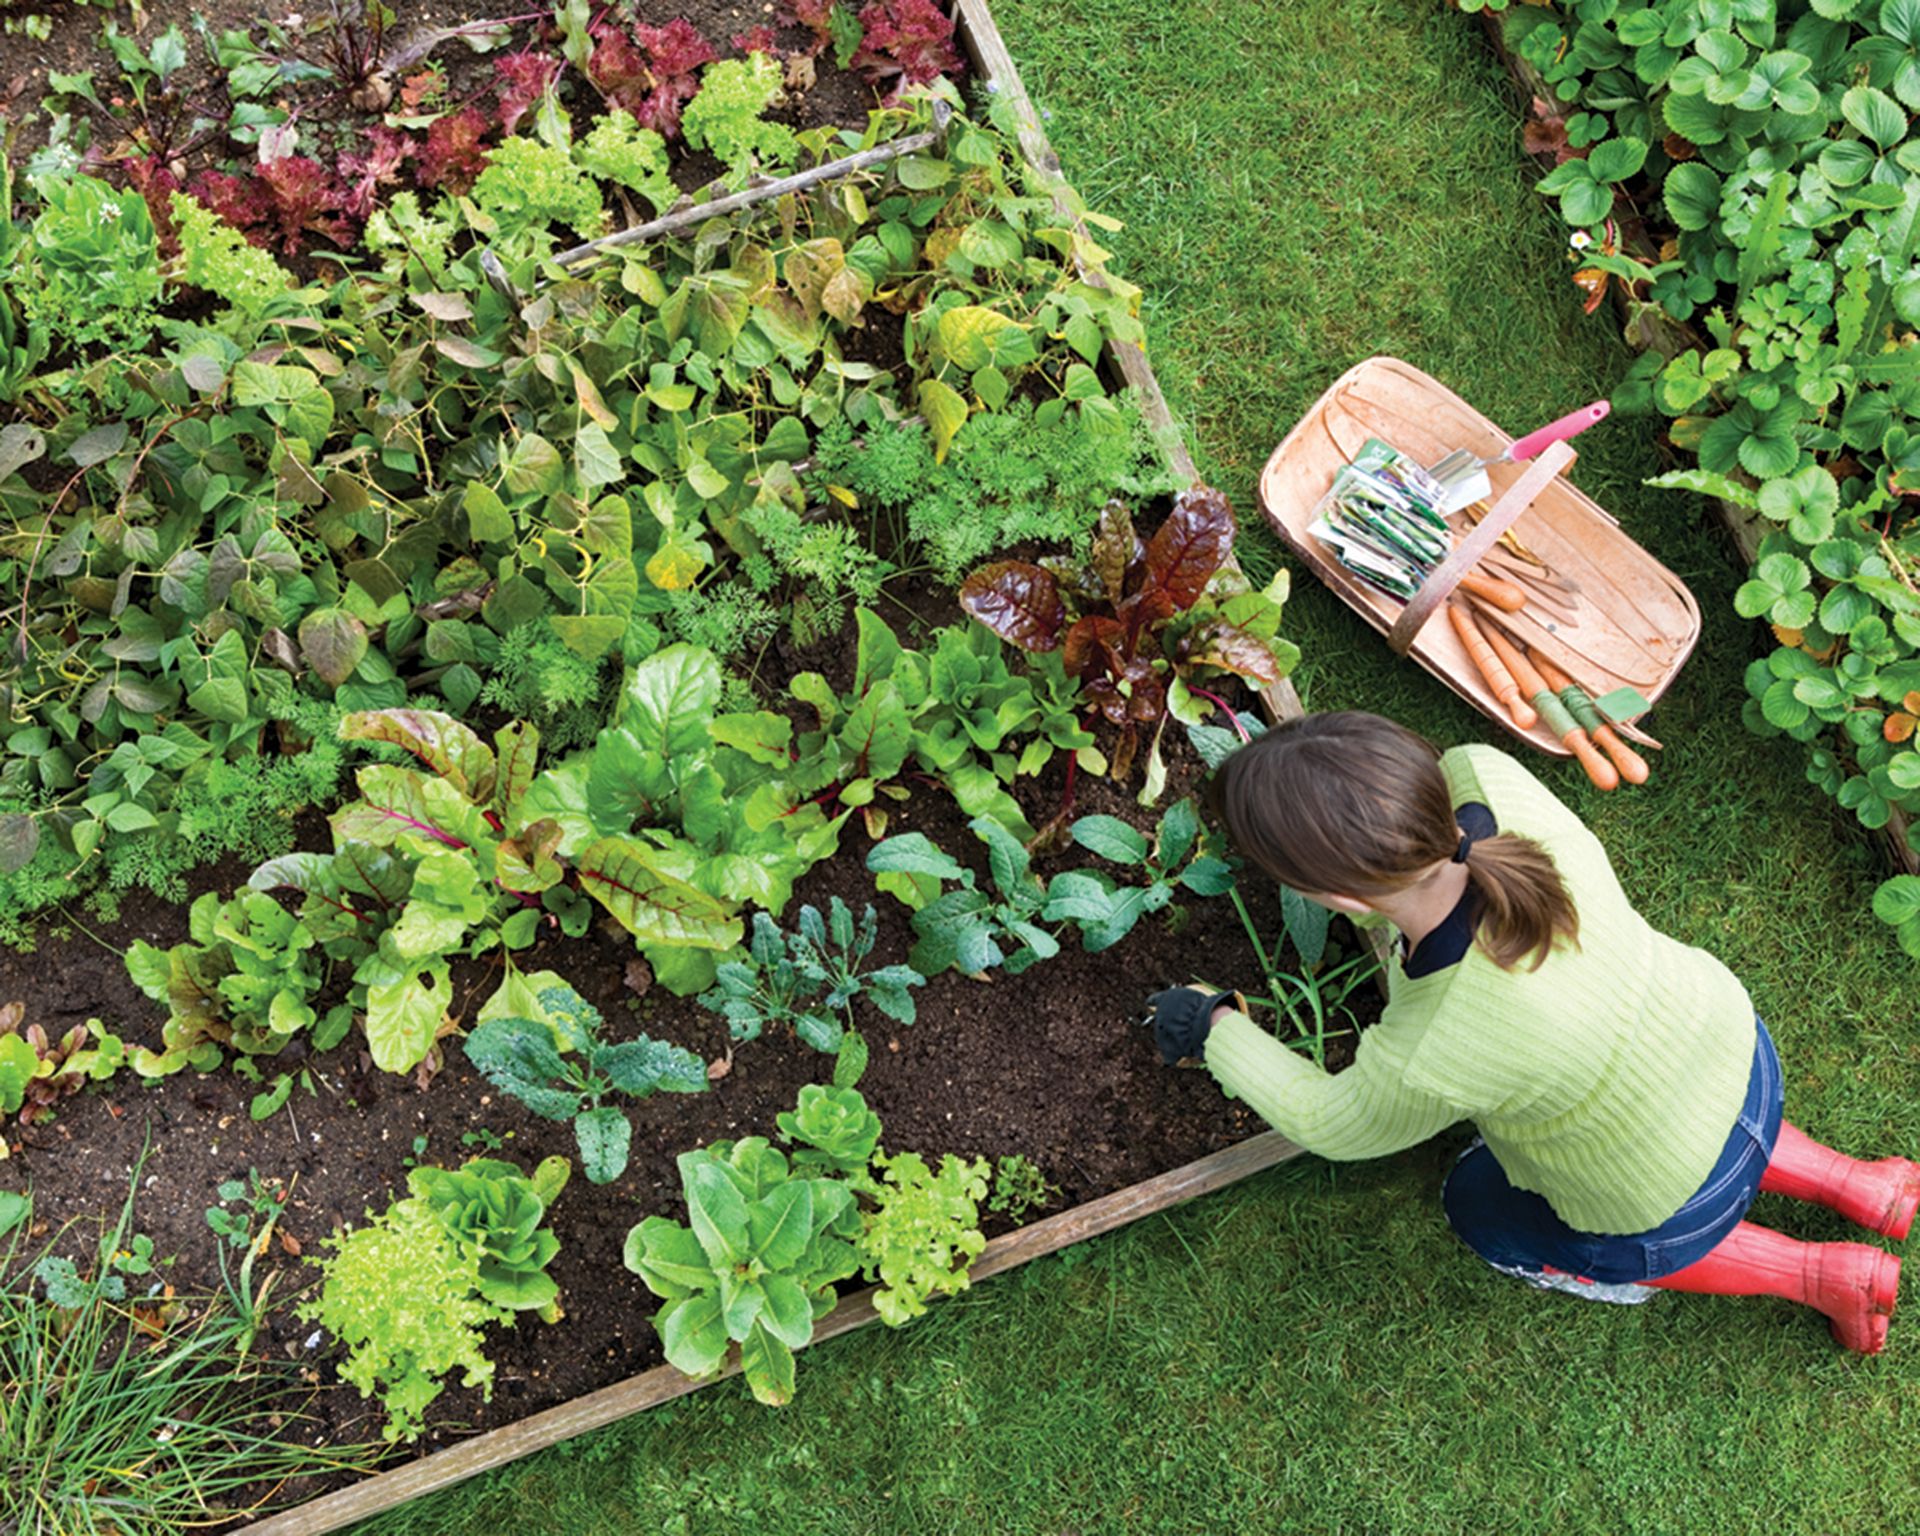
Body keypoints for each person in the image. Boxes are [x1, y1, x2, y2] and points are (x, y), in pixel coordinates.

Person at [1149, 711, 1918, 1352]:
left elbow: (1333, 1122)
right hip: (1732, 1048)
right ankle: (1864, 1185)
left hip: (1660, 1194)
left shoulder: (1436, 1043)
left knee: (1478, 1207)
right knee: (1683, 1112)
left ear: (1341, 898)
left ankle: (1822, 1276)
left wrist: (1212, 1025)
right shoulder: (1487, 778)